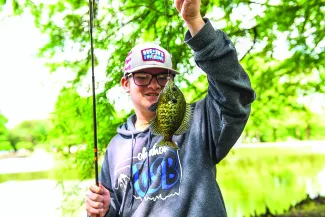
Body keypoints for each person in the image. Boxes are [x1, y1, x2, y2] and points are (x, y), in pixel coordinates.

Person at [85, 0, 256, 216]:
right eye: (143, 77)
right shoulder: (115, 148)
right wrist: (105, 208)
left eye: (163, 77)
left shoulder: (198, 122)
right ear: (125, 84)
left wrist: (195, 23)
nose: (154, 85)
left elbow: (235, 92)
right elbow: (117, 210)